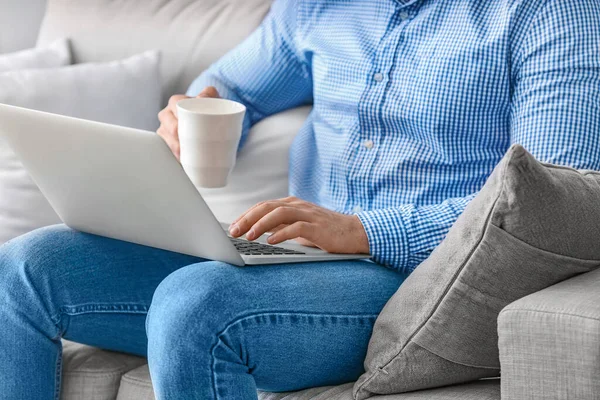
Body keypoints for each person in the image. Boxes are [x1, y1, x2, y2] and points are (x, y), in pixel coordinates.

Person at [1, 0, 599, 399]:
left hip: (415, 273)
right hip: (290, 255)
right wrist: (190, 115)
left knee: (196, 302)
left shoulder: (552, 13)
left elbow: (554, 199)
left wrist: (363, 231)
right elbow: (230, 84)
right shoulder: (319, 7)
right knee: (24, 269)